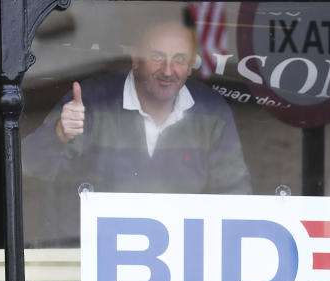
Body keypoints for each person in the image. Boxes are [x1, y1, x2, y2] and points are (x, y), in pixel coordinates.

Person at [22, 18, 251, 196]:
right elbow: (27, 166)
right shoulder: (92, 102)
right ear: (136, 57)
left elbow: (235, 193)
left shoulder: (212, 112)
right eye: (157, 57)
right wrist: (59, 135)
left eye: (180, 59)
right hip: (97, 246)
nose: (168, 70)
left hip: (182, 247)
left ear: (191, 65)